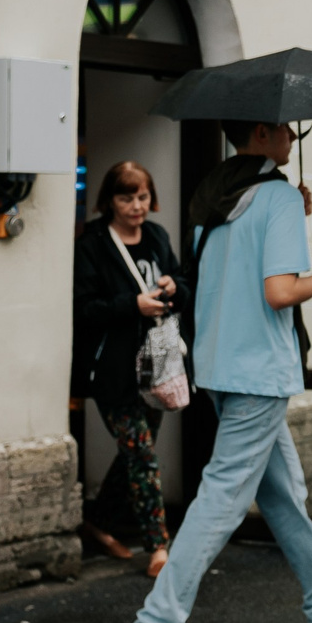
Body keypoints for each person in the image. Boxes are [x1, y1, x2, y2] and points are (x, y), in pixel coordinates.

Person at [121, 121, 312, 623]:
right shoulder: (276, 196)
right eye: (286, 128)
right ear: (262, 132)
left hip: (219, 365)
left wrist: (291, 209)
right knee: (222, 500)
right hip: (259, 371)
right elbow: (278, 291)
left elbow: (226, 277)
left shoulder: (216, 197)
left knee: (283, 492)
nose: (293, 135)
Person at [73, 160, 183, 578]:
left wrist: (175, 288)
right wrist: (130, 305)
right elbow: (82, 309)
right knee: (141, 455)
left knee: (138, 450)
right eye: (126, 197)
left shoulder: (156, 236)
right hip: (113, 370)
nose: (136, 206)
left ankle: (98, 523)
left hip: (155, 364)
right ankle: (158, 547)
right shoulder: (93, 245)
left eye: (142, 196)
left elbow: (181, 282)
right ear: (109, 200)